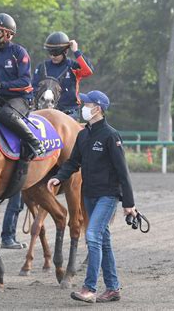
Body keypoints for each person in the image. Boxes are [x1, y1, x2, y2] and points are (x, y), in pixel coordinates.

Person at [47, 90, 136, 303]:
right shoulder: (83, 135)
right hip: (89, 195)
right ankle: (113, 288)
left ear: (97, 108)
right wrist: (59, 177)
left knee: (93, 235)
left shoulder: (111, 136)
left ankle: (89, 288)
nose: (83, 107)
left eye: (86, 103)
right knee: (103, 240)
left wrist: (128, 203)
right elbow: (72, 162)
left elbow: (123, 172)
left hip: (107, 195)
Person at [0, 12, 46, 159]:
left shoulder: (19, 52)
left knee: (6, 114)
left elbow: (25, 82)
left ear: (8, 34)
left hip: (21, 99)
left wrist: (2, 85)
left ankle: (35, 143)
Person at [32, 31, 94, 120]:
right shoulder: (42, 67)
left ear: (65, 51)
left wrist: (76, 51)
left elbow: (88, 71)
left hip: (69, 113)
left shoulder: (73, 66)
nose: (53, 56)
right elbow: (33, 88)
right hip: (45, 111)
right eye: (50, 53)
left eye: (56, 53)